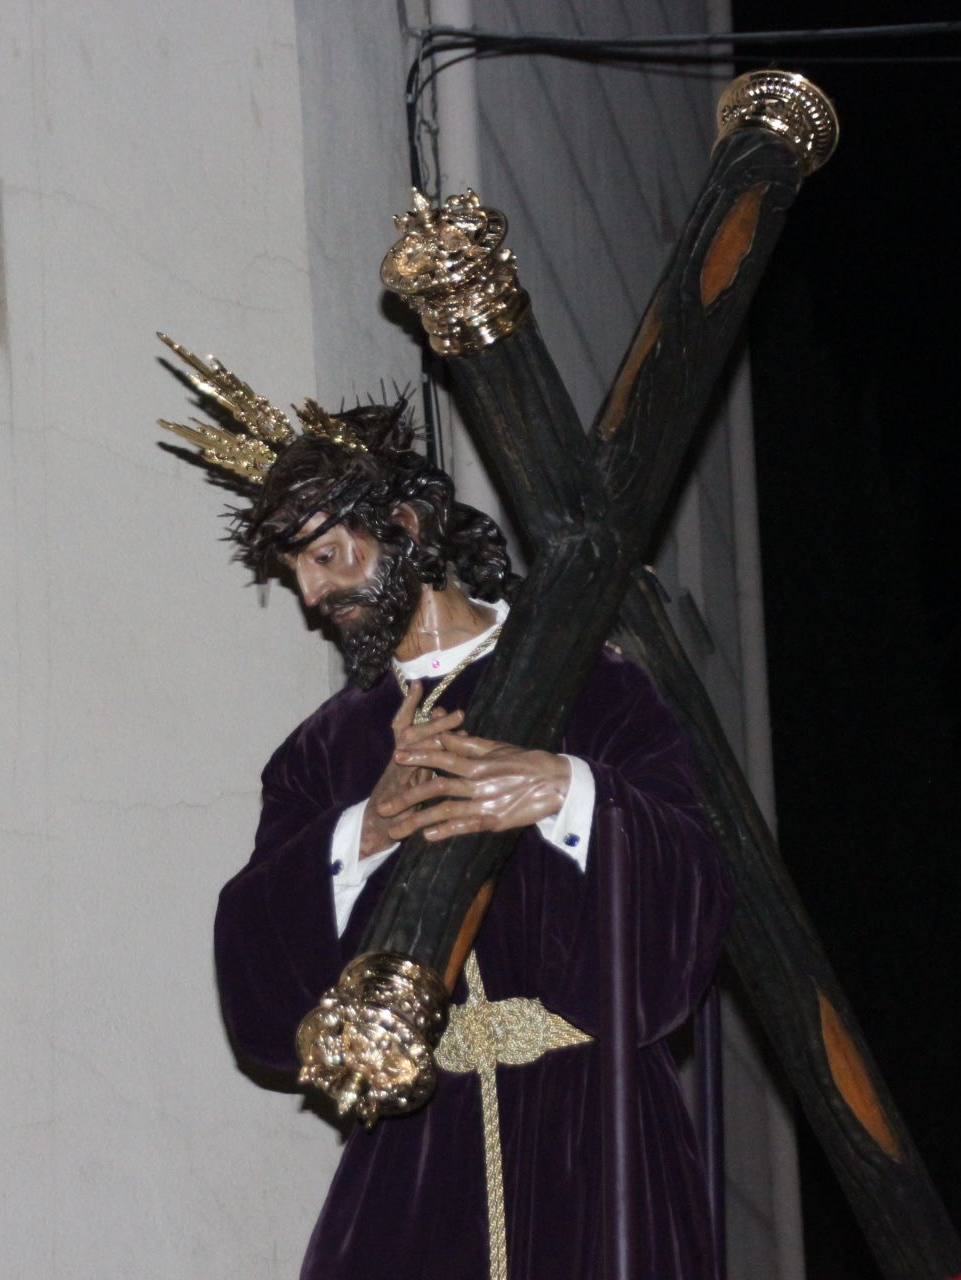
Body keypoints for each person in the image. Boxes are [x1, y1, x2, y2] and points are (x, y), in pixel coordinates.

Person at [169, 360, 729, 1279]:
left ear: (406, 526)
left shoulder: (597, 686)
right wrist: (366, 832)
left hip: (594, 1128)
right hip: (420, 1154)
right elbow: (255, 973)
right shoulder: (327, 751)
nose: (312, 596)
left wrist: (567, 790)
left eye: (324, 556)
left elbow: (697, 892)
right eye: (295, 570)